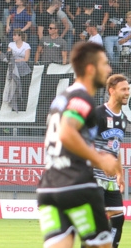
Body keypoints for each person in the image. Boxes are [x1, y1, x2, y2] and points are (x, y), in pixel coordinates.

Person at [37, 42, 119, 248]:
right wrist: (99, 159)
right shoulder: (82, 97)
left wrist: (96, 155)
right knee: (102, 245)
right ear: (91, 69)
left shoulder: (62, 99)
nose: (109, 69)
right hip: (77, 184)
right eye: (104, 64)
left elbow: (72, 137)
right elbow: (66, 131)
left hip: (49, 188)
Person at [95, 74, 130, 248]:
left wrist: (120, 173)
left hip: (110, 180)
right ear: (111, 90)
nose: (127, 93)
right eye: (123, 89)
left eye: (128, 89)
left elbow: (116, 149)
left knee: (118, 219)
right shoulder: (98, 114)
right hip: (93, 176)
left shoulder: (123, 119)